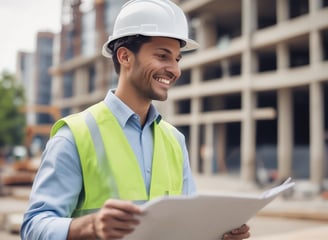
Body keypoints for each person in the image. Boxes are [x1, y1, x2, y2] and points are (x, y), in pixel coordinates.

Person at [21, 0, 250, 239]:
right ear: (125, 57)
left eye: (177, 59)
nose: (175, 69)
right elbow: (33, 227)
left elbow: (186, 226)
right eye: (163, 56)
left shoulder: (175, 141)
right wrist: (91, 226)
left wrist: (217, 234)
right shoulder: (74, 136)